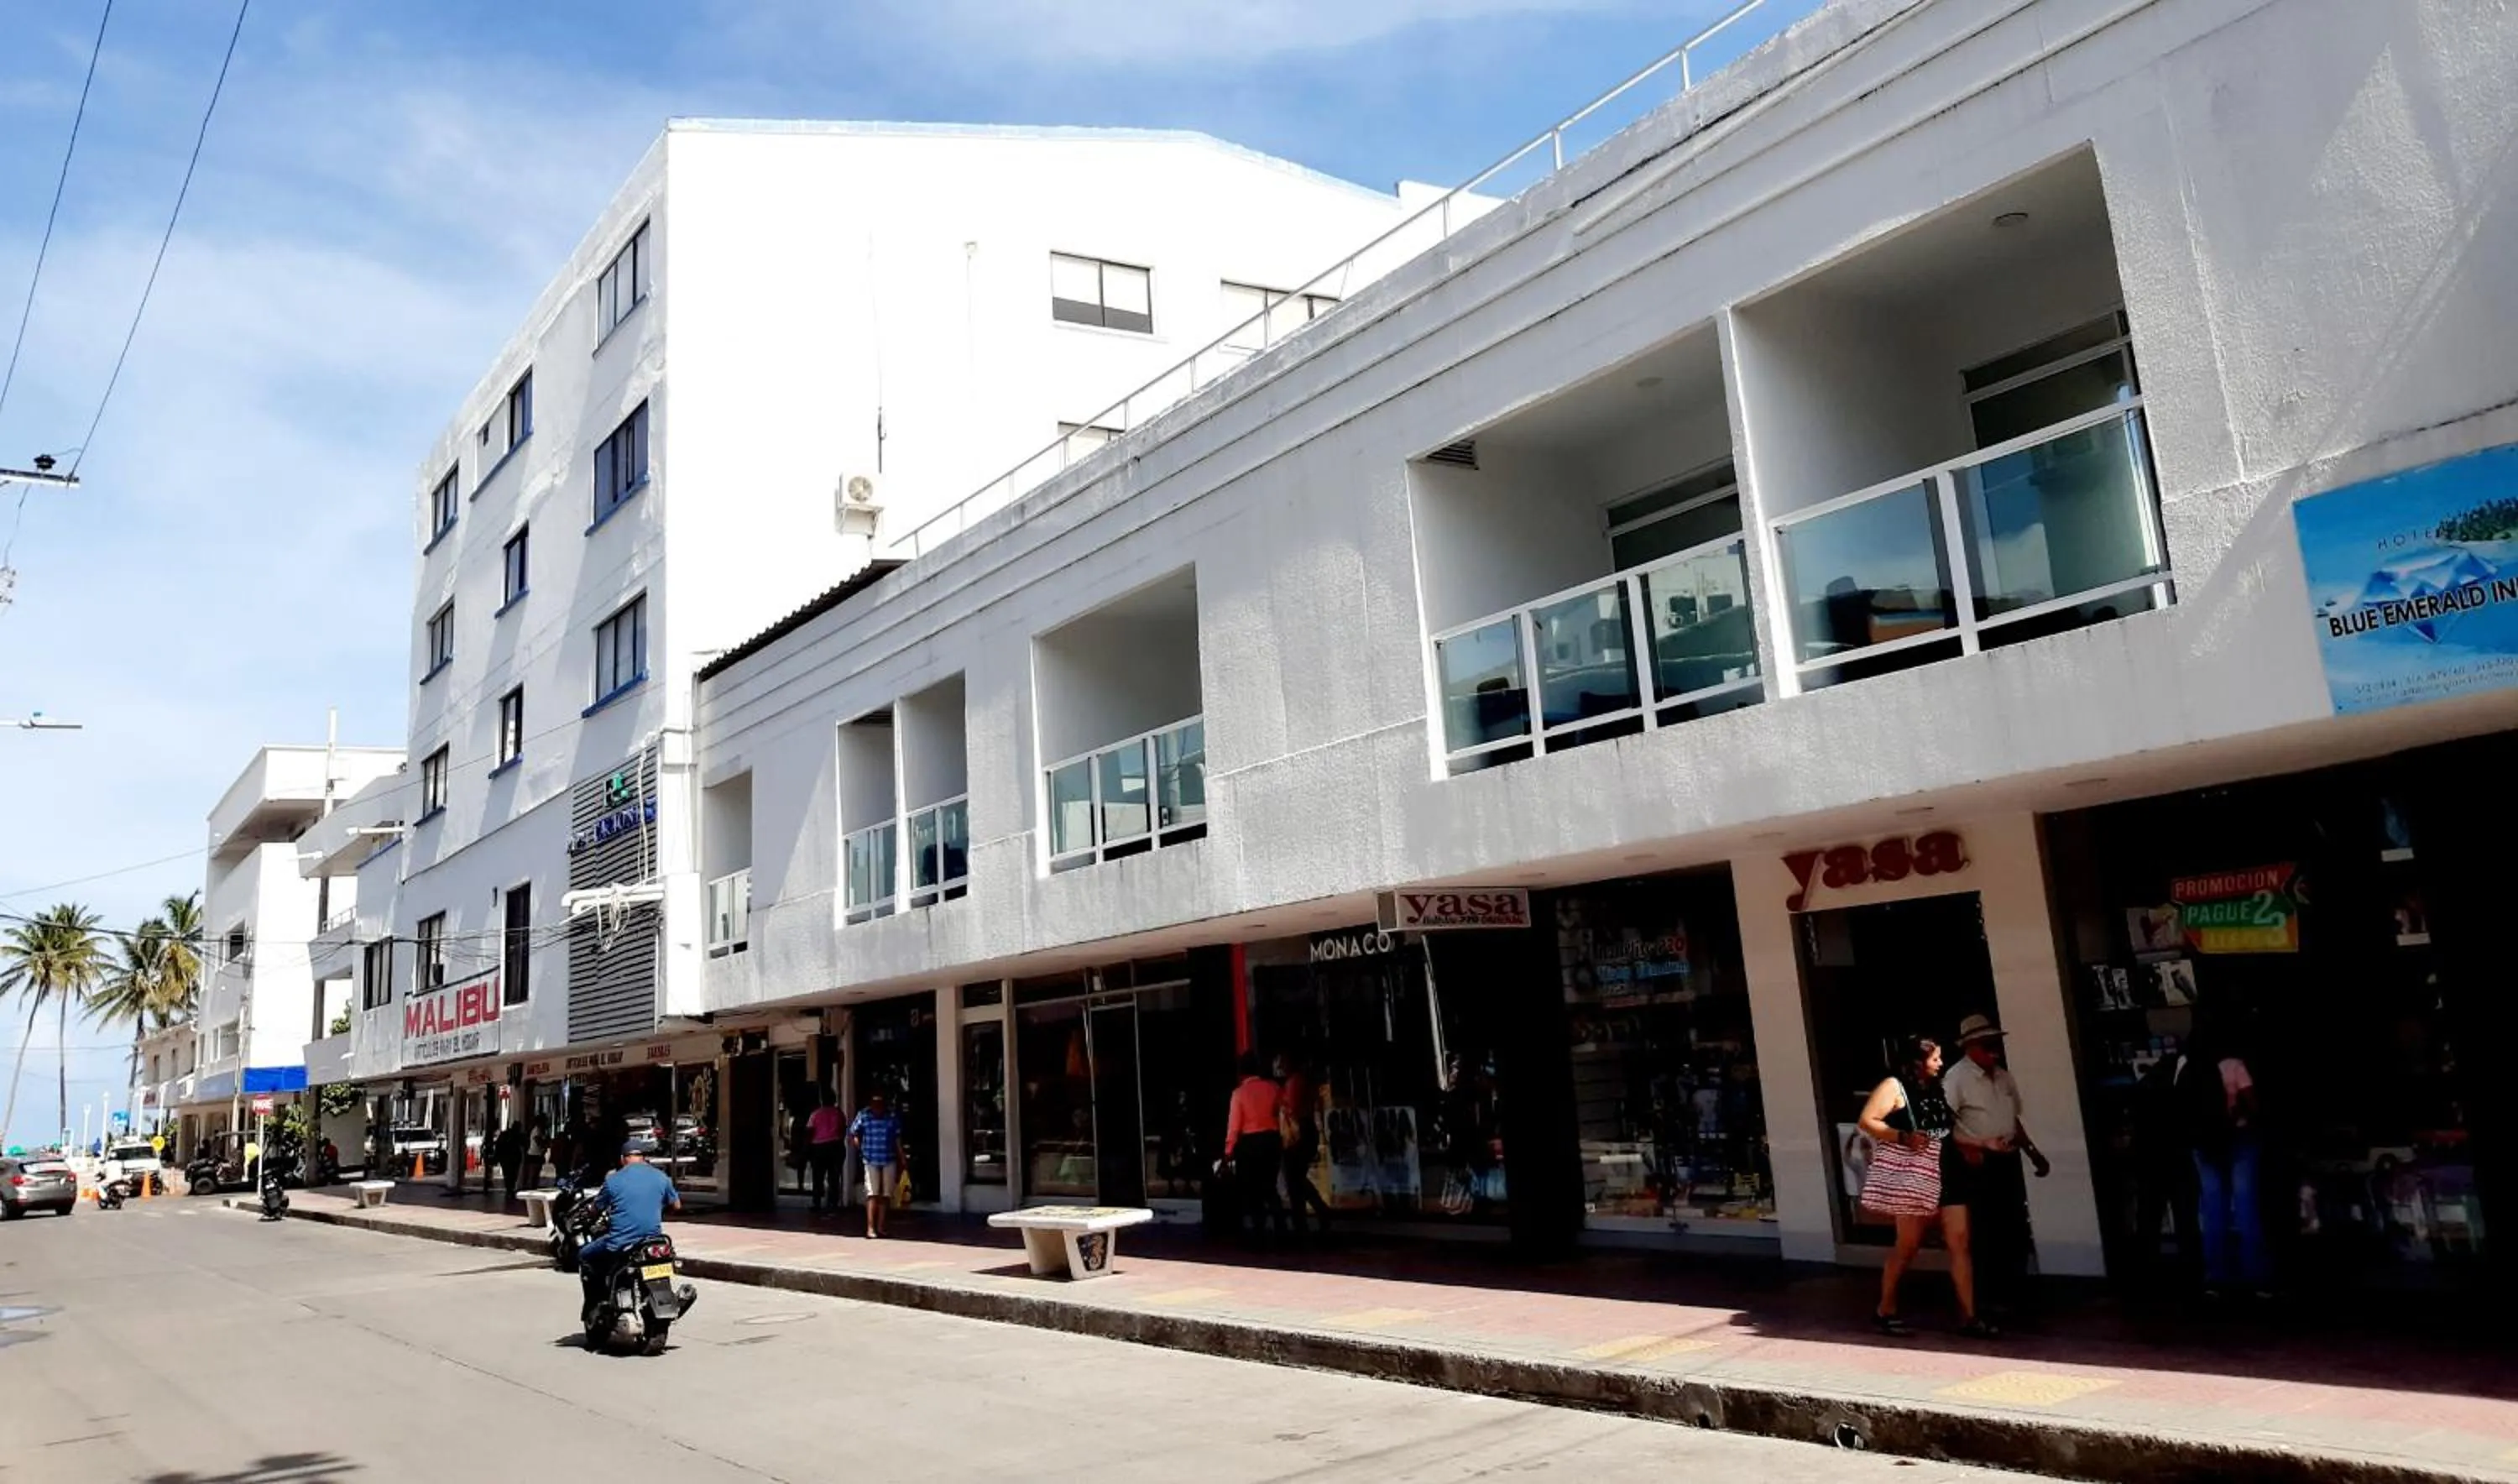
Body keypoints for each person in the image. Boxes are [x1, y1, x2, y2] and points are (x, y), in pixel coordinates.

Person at [1856, 1036, 1991, 1339]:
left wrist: (1976, 1145)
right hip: (1915, 1175)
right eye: (1935, 1059)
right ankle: (1885, 1308)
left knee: (1959, 1242)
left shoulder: (1935, 1089)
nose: (1940, 1064)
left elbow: (1945, 1130)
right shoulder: (1894, 1087)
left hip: (1948, 1171)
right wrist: (1902, 1137)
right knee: (1908, 1245)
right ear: (1918, 1061)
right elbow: (1867, 1121)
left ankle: (1969, 1316)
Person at [1941, 1014, 2050, 1315]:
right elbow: (1942, 1126)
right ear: (1971, 1047)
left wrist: (2032, 1151)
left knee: (2014, 1225)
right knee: (1985, 1230)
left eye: (1996, 1045)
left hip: (2007, 1157)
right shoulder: (1957, 1078)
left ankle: (2014, 1290)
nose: (1995, 1052)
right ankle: (1986, 1296)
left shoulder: (2003, 1076)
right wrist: (1970, 1147)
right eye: (1988, 1046)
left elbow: (2012, 1118)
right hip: (1977, 1161)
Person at [2177, 1028, 2269, 1297]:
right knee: (2246, 1207)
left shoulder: (2186, 1064)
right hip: (2238, 1139)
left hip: (2203, 1144)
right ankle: (2257, 1278)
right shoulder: (2234, 1065)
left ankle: (2215, 1277)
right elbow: (2253, 1104)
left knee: (2212, 1209)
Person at [577, 1142, 691, 1324]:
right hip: (654, 1241)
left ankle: (595, 1305)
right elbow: (677, 1206)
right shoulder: (661, 1177)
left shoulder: (613, 1180)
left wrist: (588, 1214)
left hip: (622, 1241)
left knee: (585, 1255)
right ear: (643, 1157)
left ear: (623, 1159)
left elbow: (596, 1208)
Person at [1221, 1053, 1288, 1243]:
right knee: (1270, 1186)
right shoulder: (1273, 1088)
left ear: (1241, 1072)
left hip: (1250, 1144)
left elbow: (1234, 1126)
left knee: (1253, 1190)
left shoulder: (1239, 1094)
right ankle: (1281, 1228)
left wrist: (1228, 1151)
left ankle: (1259, 1233)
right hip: (1272, 1139)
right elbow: (1284, 1110)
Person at [1275, 1052, 1331, 1237]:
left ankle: (1306, 1220)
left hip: (1298, 1133)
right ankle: (1315, 1214)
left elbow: (1292, 1109)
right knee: (1297, 1179)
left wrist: (1281, 1107)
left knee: (1295, 1180)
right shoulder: (1304, 1081)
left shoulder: (1294, 1082)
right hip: (1306, 1131)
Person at [848, 1092, 907, 1238]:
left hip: (889, 1158)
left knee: (886, 1195)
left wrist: (902, 1158)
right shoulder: (864, 1115)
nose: (877, 1107)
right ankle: (870, 1227)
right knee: (872, 1193)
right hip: (870, 1158)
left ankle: (881, 1226)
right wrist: (859, 1148)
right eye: (875, 1103)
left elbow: (897, 1139)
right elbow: (854, 1133)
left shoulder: (891, 1117)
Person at [494, 1118, 528, 1201]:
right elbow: (525, 1144)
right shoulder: (516, 1135)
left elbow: (498, 1146)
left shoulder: (506, 1134)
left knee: (508, 1175)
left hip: (506, 1159)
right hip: (512, 1159)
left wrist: (497, 1157)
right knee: (512, 1175)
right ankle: (510, 1190)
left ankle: (509, 1190)